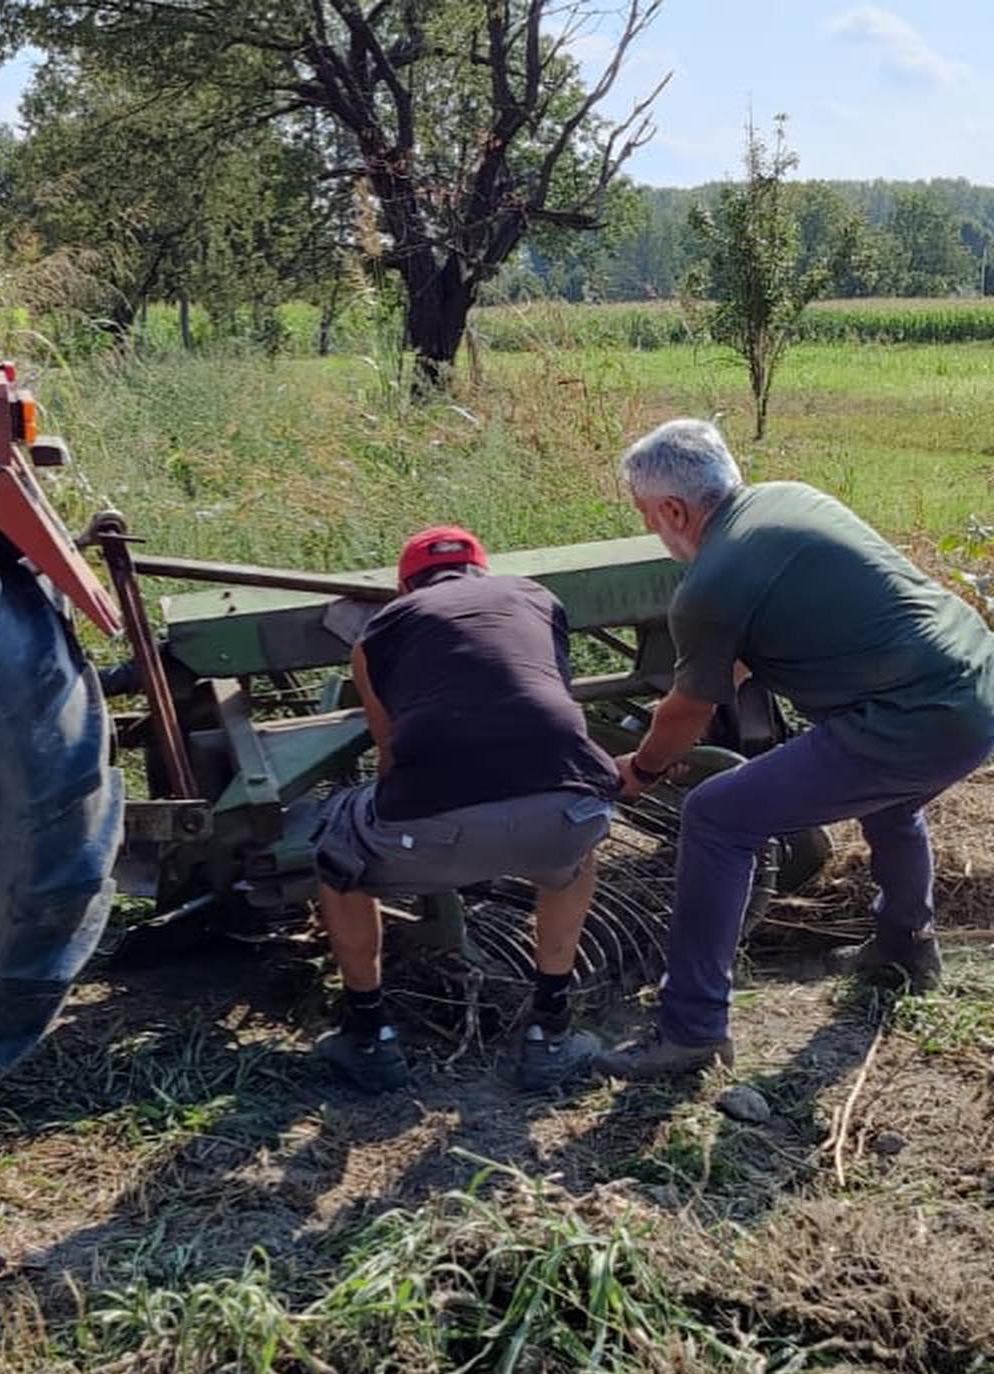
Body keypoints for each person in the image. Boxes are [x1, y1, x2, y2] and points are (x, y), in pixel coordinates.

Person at [600, 418, 994, 1082]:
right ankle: (905, 946)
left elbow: (689, 712)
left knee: (718, 816)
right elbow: (803, 624)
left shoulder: (710, 584)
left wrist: (640, 769)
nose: (652, 530)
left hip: (912, 719)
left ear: (673, 509)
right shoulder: (790, 498)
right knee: (894, 806)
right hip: (976, 682)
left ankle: (690, 1028)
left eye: (647, 516)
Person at [312, 524, 621, 1093]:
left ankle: (369, 1033)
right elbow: (545, 701)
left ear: (407, 587)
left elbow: (390, 759)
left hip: (433, 829)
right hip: (561, 816)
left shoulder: (379, 630)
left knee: (338, 852)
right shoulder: (535, 598)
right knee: (576, 852)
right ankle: (550, 1032)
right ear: (485, 570)